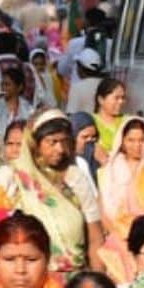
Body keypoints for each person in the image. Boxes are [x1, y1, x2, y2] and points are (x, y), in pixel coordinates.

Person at [7, 110, 104, 277]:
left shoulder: (75, 177)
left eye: (65, 141)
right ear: (35, 145)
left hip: (74, 277)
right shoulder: (15, 178)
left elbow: (95, 236)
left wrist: (98, 280)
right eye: (52, 142)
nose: (60, 149)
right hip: (30, 278)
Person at [98, 116, 144, 235]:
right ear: (122, 141)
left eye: (142, 140)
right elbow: (103, 206)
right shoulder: (111, 169)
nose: (137, 145)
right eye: (131, 140)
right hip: (115, 231)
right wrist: (115, 233)